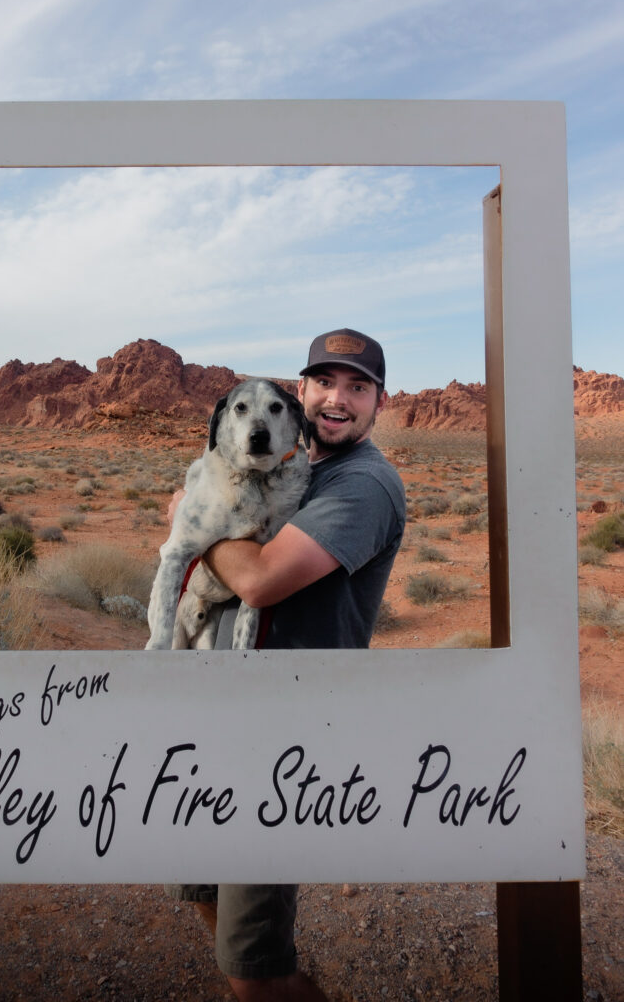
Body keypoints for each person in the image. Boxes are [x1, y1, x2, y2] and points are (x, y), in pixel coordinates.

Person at [167, 328, 407, 1002]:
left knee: (255, 962)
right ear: (300, 395)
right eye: (325, 383)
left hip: (281, 739)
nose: (339, 398)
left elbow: (262, 580)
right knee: (204, 890)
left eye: (358, 386)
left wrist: (193, 521)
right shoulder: (297, 469)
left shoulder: (364, 485)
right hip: (219, 717)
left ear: (379, 402)